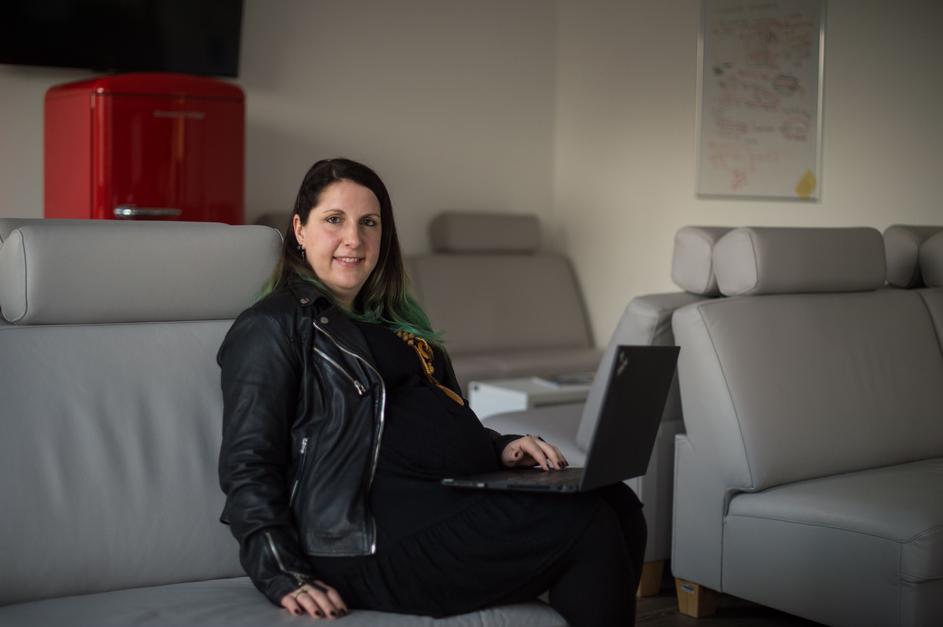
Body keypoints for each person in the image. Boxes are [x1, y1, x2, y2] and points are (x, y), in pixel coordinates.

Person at [217, 158, 647, 626]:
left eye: (369, 223)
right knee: (586, 525)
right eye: (334, 220)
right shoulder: (273, 326)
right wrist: (282, 573)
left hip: (439, 502)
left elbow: (439, 420)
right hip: (360, 537)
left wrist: (500, 448)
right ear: (300, 229)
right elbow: (248, 463)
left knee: (617, 502)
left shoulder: (399, 324)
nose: (354, 239)